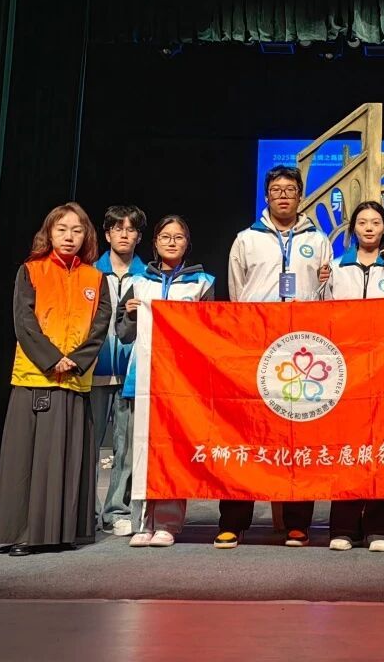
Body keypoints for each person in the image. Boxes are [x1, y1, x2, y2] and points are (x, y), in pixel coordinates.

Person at [0, 203, 111, 556]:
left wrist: (77, 361)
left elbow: (100, 326)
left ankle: (66, 531)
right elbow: (24, 322)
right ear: (49, 233)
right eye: (62, 229)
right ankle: (25, 533)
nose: (69, 236)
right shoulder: (31, 271)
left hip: (75, 380)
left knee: (71, 459)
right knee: (29, 461)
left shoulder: (95, 278)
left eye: (77, 230)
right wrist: (53, 359)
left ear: (86, 236)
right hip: (36, 378)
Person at [220, 166, 333, 548]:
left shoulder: (318, 240)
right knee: (246, 433)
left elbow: (326, 294)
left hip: (302, 348)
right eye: (276, 190)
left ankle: (298, 522)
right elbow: (237, 294)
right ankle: (233, 521)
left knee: (299, 434)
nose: (283, 195)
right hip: (256, 345)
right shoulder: (246, 240)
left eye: (290, 189)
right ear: (266, 196)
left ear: (300, 195)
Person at [322, 200, 384, 553]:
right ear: (353, 229)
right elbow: (322, 315)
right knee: (347, 446)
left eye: (376, 222)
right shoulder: (336, 268)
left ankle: (381, 528)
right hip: (346, 370)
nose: (369, 228)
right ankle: (344, 526)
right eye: (362, 222)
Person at [120, 214, 215, 548]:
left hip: (181, 381)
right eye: (165, 237)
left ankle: (168, 524)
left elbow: (209, 333)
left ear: (187, 243)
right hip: (143, 378)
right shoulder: (137, 281)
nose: (172, 242)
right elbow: (123, 333)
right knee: (141, 452)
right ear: (155, 242)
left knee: (173, 452)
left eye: (178, 237)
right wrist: (131, 315)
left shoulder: (202, 282)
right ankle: (141, 523)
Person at [92, 205, 147, 537]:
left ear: (139, 236)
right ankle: (84, 509)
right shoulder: (89, 273)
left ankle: (117, 511)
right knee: (87, 446)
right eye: (118, 228)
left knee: (125, 447)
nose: (124, 234)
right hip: (93, 371)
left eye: (131, 229)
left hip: (131, 374)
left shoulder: (148, 277)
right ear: (107, 233)